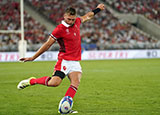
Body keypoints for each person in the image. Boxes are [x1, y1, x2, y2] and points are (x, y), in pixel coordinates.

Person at [17, 3, 105, 113]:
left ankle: (65, 107)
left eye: (73, 19)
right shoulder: (59, 29)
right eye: (69, 19)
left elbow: (88, 15)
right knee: (54, 83)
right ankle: (32, 81)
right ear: (64, 16)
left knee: (75, 82)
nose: (71, 21)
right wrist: (33, 57)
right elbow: (47, 44)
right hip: (64, 60)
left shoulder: (77, 22)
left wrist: (98, 9)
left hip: (75, 62)